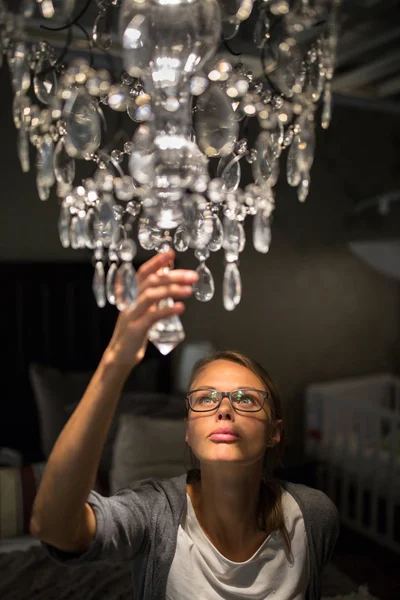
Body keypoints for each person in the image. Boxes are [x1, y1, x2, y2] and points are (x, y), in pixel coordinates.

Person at [30, 248, 339, 600]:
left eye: (246, 399)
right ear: (188, 432)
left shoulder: (314, 517)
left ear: (275, 432)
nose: (225, 409)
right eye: (206, 399)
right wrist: (116, 361)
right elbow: (51, 526)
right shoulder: (153, 513)